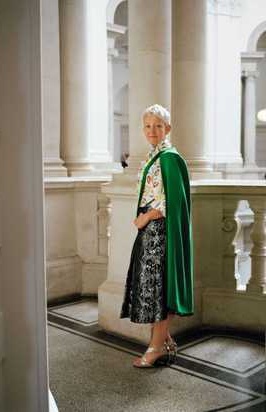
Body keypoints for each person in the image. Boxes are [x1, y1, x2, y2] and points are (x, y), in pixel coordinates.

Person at [120, 104, 194, 368]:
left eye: (158, 125)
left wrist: (147, 217)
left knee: (160, 290)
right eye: (148, 126)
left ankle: (155, 348)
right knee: (152, 289)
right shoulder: (156, 156)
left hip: (160, 234)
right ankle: (163, 341)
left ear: (168, 128)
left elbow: (173, 202)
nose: (152, 130)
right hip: (150, 233)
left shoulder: (169, 158)